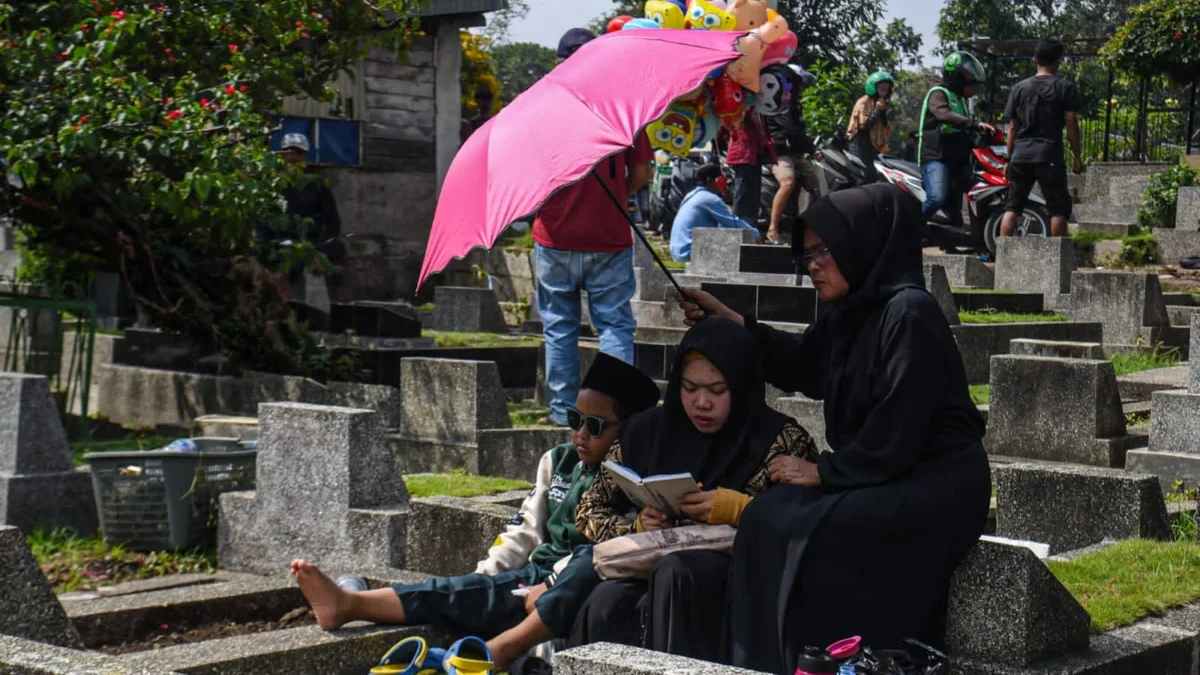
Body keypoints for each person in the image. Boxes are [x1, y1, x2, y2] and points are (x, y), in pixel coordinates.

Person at [676, 183, 992, 674]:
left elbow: (899, 425)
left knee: (811, 533)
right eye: (807, 255)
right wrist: (734, 324)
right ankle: (764, 662)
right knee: (767, 516)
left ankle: (838, 659)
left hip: (933, 482)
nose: (813, 265)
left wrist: (825, 472)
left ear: (862, 244)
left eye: (824, 251)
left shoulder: (910, 313)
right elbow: (802, 365)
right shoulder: (848, 311)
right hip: (877, 470)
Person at [289, 353, 662, 671]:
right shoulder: (558, 461)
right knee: (451, 592)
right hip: (533, 576)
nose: (580, 433)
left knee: (578, 564)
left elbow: (605, 553)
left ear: (627, 431)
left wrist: (549, 585)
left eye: (594, 426)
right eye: (574, 419)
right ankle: (349, 603)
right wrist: (484, 578)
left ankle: (502, 648)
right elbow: (524, 530)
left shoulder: (632, 482)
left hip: (577, 585)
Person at [571, 319, 820, 663]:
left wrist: (741, 510)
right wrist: (636, 526)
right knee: (606, 602)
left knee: (677, 573)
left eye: (717, 390)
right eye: (689, 388)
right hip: (647, 565)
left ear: (742, 384)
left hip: (735, 582)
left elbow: (808, 526)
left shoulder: (781, 441)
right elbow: (588, 511)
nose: (702, 403)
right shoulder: (644, 432)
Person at [534, 27, 652, 427]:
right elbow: (641, 173)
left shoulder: (542, 109)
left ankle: (562, 412)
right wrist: (616, 194)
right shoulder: (625, 105)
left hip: (555, 234)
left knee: (559, 328)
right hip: (608, 234)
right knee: (615, 326)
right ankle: (613, 413)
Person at [1000, 37, 1083, 238]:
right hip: (1049, 155)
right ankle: (1057, 255)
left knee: (1013, 207)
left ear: (1034, 60)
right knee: (1058, 209)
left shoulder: (1019, 88)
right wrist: (1077, 156)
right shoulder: (1065, 87)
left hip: (1021, 155)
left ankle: (1002, 253)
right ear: (1058, 61)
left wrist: (1008, 158)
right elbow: (1071, 123)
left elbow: (1012, 127)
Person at [917, 52, 995, 230]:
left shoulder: (960, 99)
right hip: (936, 158)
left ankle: (981, 236)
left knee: (982, 192)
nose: (973, 86)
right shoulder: (938, 93)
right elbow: (943, 115)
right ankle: (908, 227)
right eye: (968, 77)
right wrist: (974, 124)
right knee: (936, 198)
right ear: (958, 78)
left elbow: (963, 131)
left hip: (957, 161)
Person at [765, 64, 820, 245]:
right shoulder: (779, 103)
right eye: (799, 84)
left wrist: (810, 148)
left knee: (815, 182)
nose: (802, 88)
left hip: (793, 153)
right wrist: (812, 149)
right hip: (778, 153)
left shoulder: (795, 105)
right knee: (788, 183)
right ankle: (773, 229)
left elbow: (799, 132)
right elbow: (791, 131)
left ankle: (806, 225)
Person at [669, 164, 761, 262]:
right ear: (710, 180)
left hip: (678, 252)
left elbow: (722, 226)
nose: (724, 183)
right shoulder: (710, 199)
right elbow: (733, 223)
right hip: (690, 252)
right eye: (721, 179)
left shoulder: (691, 195)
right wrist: (755, 234)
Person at [724, 108, 774, 225]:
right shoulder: (743, 105)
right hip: (743, 152)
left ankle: (751, 226)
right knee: (743, 192)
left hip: (756, 153)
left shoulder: (760, 108)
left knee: (753, 195)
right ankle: (738, 226)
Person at [847, 71, 895, 182]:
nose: (884, 92)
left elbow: (884, 126)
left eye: (886, 90)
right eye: (881, 89)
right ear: (873, 88)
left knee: (874, 177)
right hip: (860, 144)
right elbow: (865, 125)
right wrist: (877, 110)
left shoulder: (880, 103)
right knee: (861, 176)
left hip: (873, 146)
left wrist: (882, 111)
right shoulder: (864, 102)